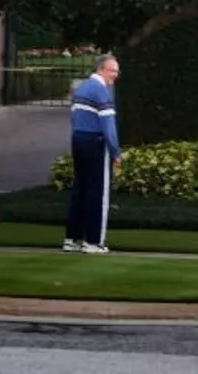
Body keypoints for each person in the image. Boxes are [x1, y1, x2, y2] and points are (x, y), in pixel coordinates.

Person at [63, 54, 121, 254]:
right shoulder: (101, 91)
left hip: (78, 138)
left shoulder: (82, 88)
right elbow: (108, 126)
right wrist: (115, 151)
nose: (116, 75)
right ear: (102, 69)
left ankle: (72, 239)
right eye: (113, 70)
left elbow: (74, 116)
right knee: (98, 191)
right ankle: (94, 241)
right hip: (95, 142)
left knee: (80, 188)